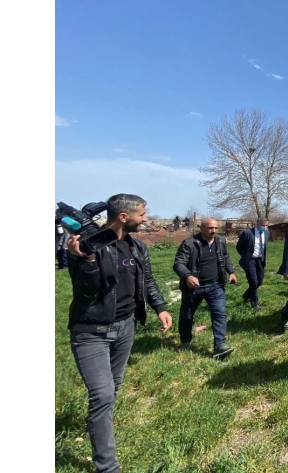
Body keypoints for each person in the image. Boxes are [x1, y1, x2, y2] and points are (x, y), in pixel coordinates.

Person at [65, 193, 173, 473]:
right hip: (92, 331)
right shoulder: (86, 246)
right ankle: (107, 465)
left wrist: (160, 307)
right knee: (101, 394)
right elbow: (85, 293)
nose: (146, 218)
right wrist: (86, 261)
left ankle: (97, 427)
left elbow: (147, 279)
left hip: (126, 326)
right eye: (142, 213)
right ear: (124, 217)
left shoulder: (137, 247)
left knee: (113, 387)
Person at [173, 218, 237, 358]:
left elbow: (225, 257)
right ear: (201, 228)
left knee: (219, 313)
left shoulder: (220, 241)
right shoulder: (190, 244)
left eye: (215, 228)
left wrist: (231, 272)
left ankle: (220, 346)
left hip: (215, 285)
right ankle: (185, 341)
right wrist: (188, 276)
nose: (213, 231)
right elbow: (178, 263)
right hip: (193, 288)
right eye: (210, 228)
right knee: (187, 315)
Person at [236, 217, 269, 309]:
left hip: (260, 260)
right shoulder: (247, 233)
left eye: (267, 225)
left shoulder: (267, 233)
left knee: (260, 281)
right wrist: (245, 256)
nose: (265, 227)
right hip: (249, 260)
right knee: (253, 281)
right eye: (263, 225)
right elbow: (239, 247)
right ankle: (255, 304)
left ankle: (246, 295)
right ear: (257, 224)